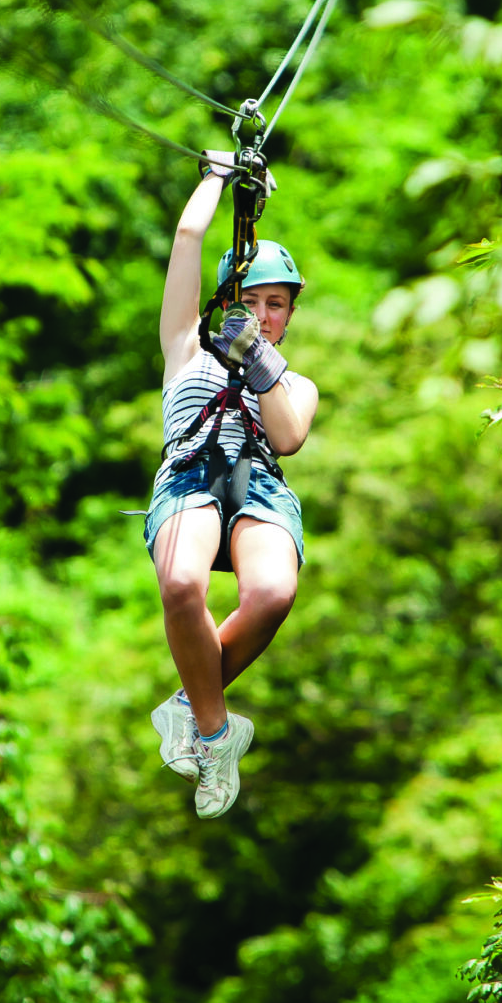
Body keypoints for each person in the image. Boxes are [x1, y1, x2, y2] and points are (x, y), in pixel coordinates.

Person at [141, 152, 320, 818]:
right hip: (191, 474)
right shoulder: (185, 346)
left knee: (273, 591)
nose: (264, 313)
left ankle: (191, 702)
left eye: (277, 305)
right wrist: (216, 178)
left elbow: (290, 435)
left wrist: (259, 357)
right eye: (250, 302)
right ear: (225, 302)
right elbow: (188, 240)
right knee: (183, 584)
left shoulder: (296, 381)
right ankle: (216, 734)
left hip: (259, 489)